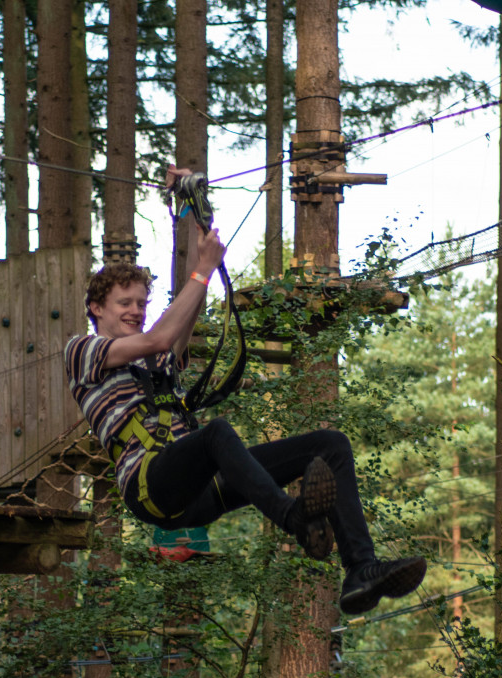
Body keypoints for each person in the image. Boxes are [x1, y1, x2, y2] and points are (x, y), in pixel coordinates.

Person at [65, 165, 426, 616]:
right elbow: (160, 337)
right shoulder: (83, 351)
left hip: (196, 489)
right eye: (125, 303)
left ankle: (361, 570)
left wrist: (198, 223)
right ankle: (292, 517)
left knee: (330, 446)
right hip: (149, 485)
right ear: (96, 308)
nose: (136, 311)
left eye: (142, 303)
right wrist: (200, 270)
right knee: (216, 433)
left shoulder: (155, 361)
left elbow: (174, 331)